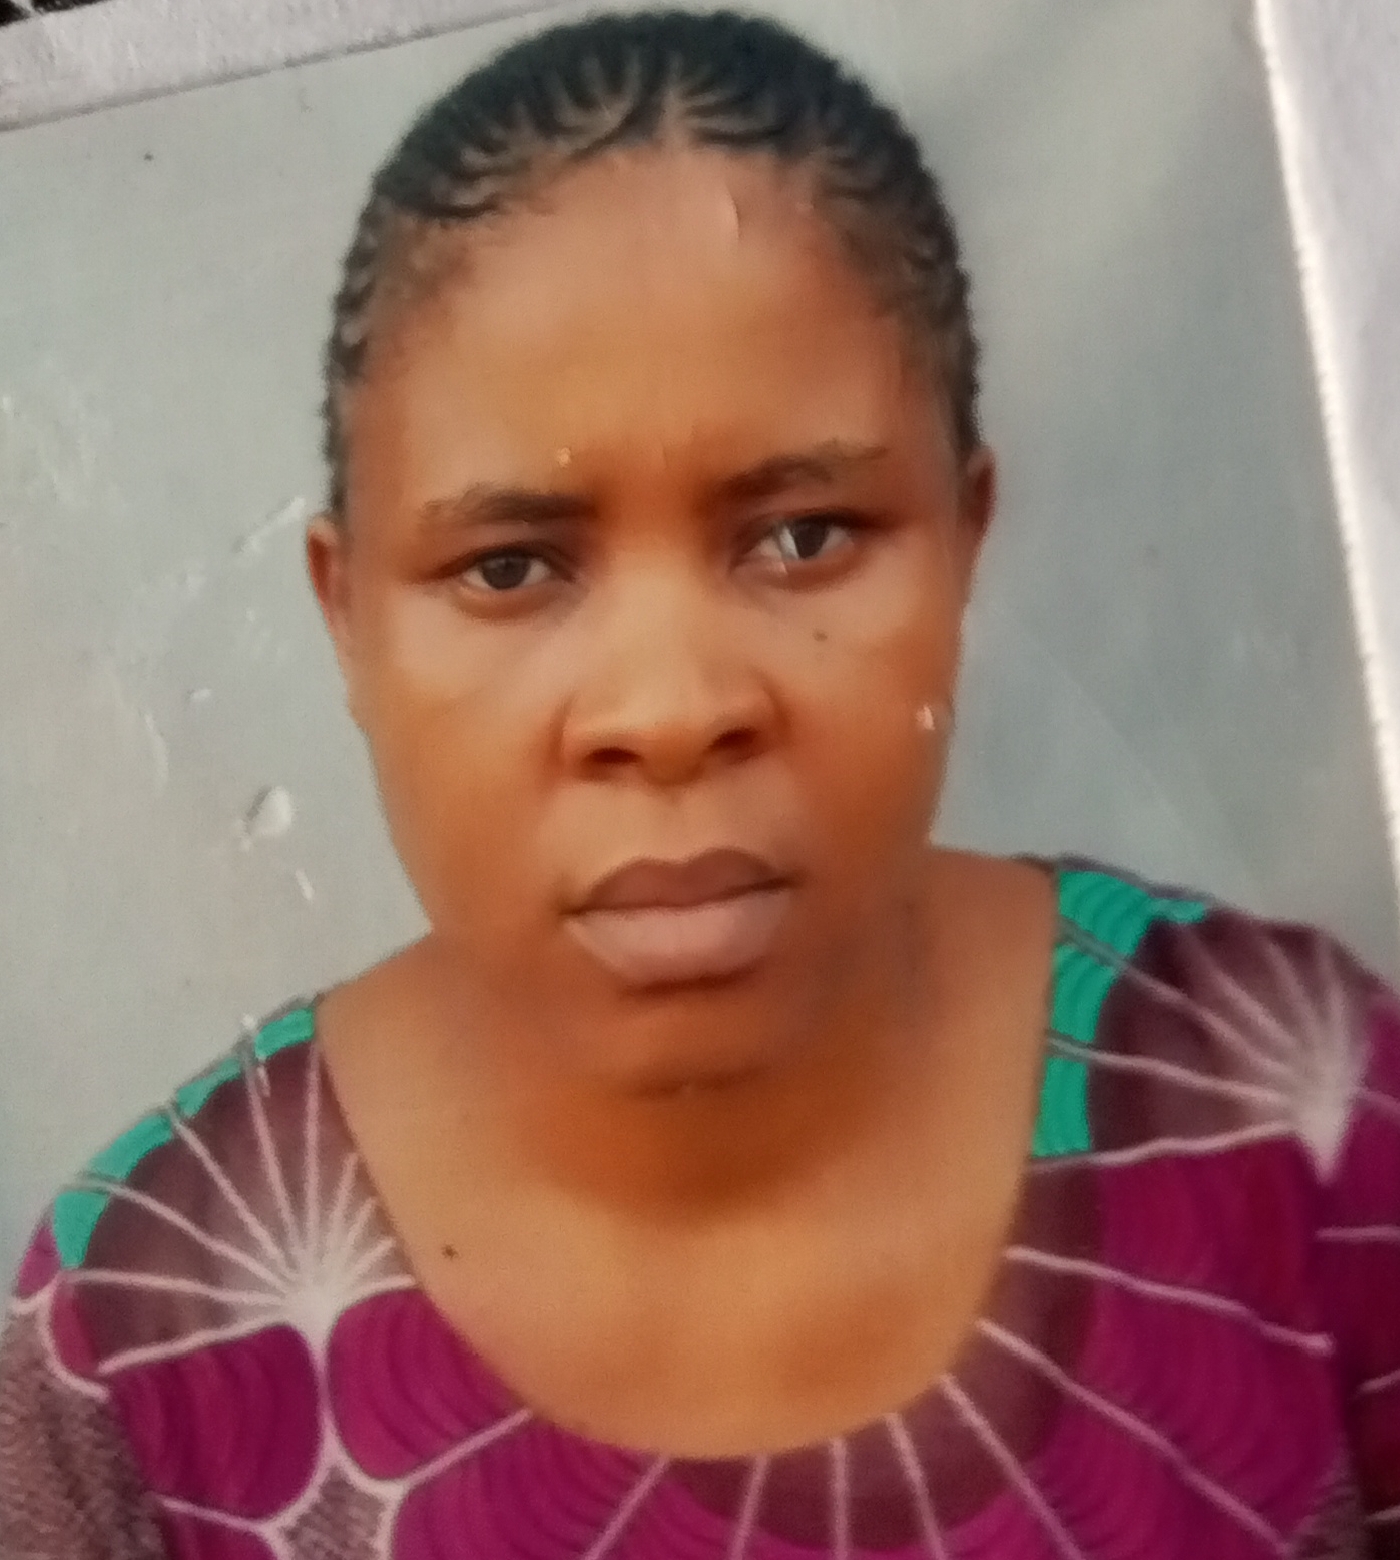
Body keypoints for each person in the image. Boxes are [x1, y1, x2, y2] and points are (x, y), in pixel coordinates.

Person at [2, 8, 1398, 1557]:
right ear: (348, 621)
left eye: (804, 536)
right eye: (509, 565)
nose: (670, 712)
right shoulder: (138, 1351)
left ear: (964, 540)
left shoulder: (1300, 1116)